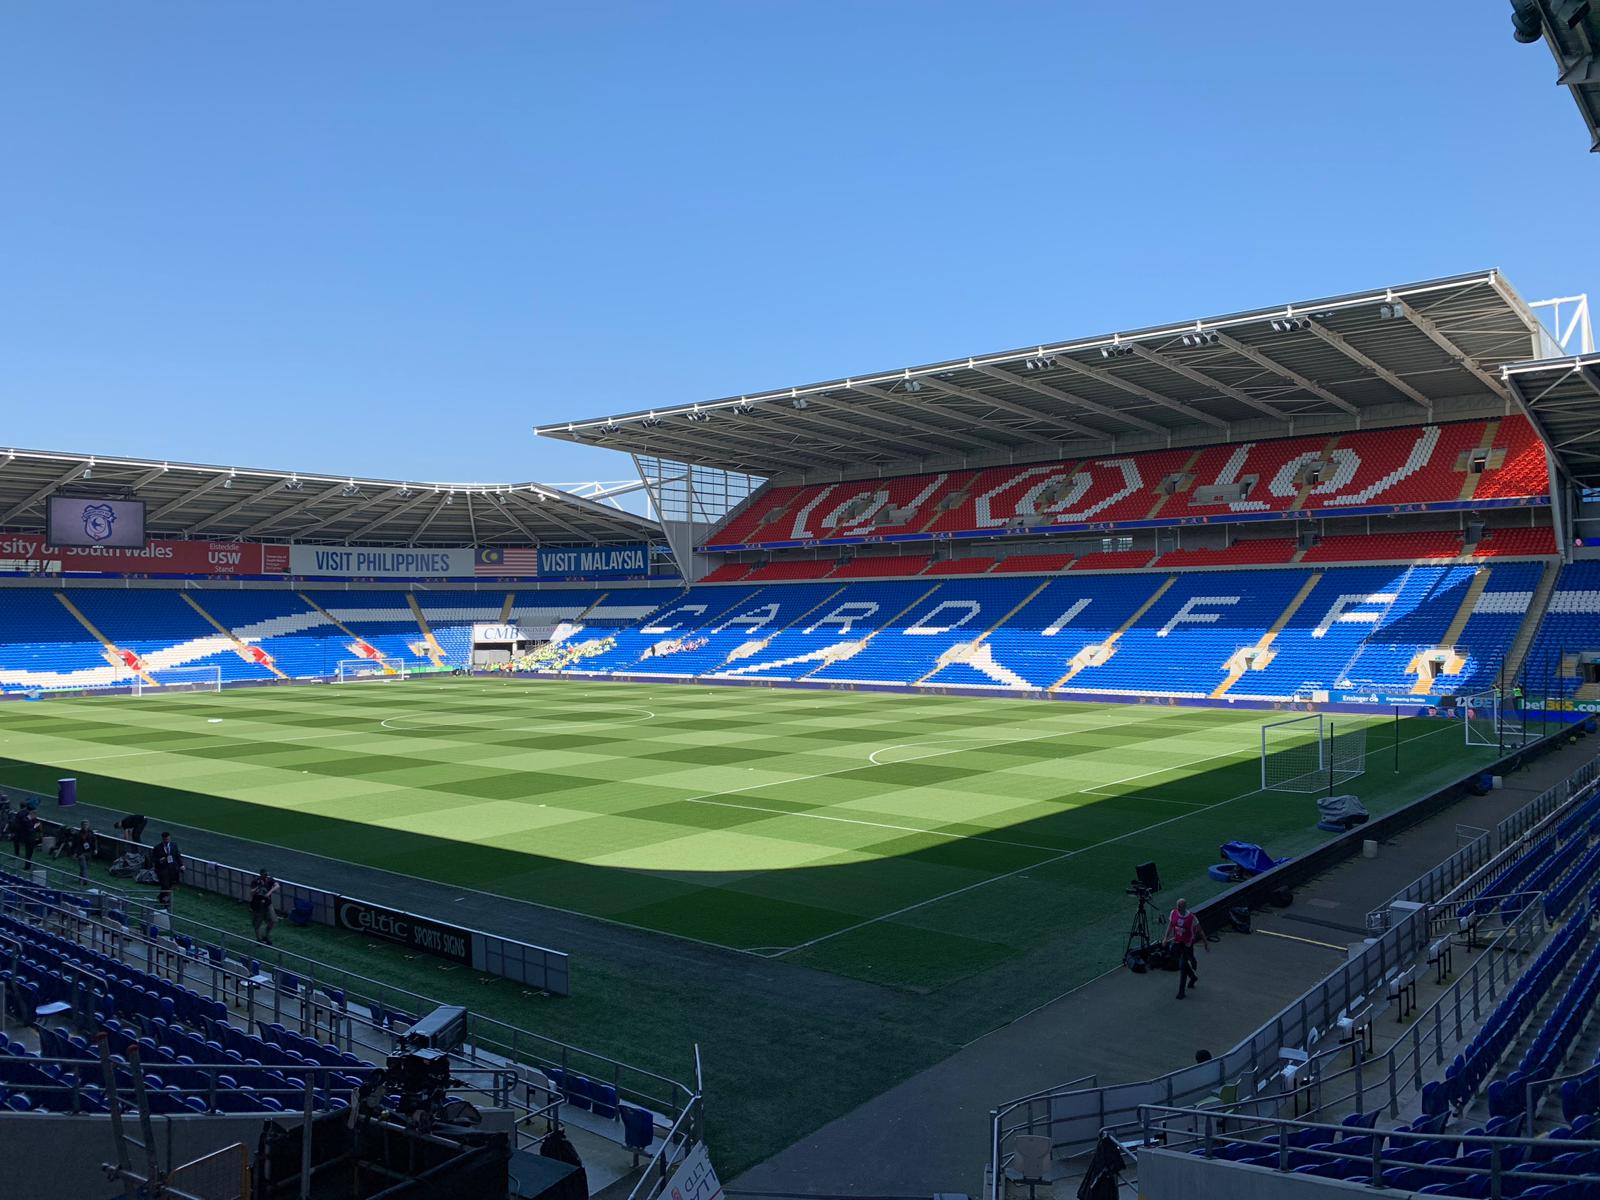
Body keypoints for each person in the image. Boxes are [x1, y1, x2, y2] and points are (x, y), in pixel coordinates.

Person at [1166, 897, 1208, 1000]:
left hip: (1187, 945)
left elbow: (1200, 931)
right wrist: (1165, 938)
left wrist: (1206, 943)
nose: (1177, 908)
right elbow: (1170, 925)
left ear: (1184, 906)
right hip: (1177, 943)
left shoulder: (1192, 918)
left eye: (1179, 906)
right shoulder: (1173, 913)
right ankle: (1193, 976)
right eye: (1177, 906)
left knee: (1183, 966)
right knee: (1182, 963)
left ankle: (1181, 992)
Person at [249, 868, 280, 944]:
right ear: (261, 874)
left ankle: (266, 936)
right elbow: (252, 893)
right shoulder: (255, 881)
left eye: (267, 874)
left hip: (267, 904)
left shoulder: (270, 880)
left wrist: (269, 893)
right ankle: (259, 940)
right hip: (257, 905)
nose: (266, 876)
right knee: (257, 924)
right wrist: (258, 887)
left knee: (272, 921)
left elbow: (277, 885)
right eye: (265, 874)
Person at [151, 832, 183, 905]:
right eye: (166, 839)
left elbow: (177, 856)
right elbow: (153, 859)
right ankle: (166, 901)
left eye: (168, 839)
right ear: (163, 839)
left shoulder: (174, 845)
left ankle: (161, 897)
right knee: (165, 885)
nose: (167, 840)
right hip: (162, 869)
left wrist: (181, 865)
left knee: (169, 885)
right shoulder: (157, 848)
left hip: (172, 869)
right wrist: (159, 860)